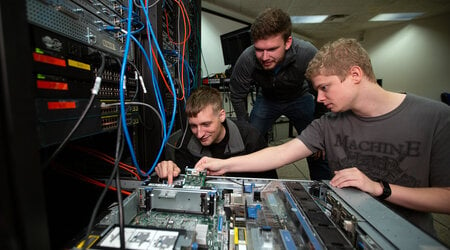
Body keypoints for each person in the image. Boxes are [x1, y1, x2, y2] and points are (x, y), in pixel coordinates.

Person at [195, 38, 450, 235]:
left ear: (355, 75)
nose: (318, 98)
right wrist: (223, 164)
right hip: (345, 231)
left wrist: (378, 188)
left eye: (324, 88)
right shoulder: (329, 124)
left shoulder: (436, 117)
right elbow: (280, 153)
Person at [229, 8, 331, 180]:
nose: (264, 57)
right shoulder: (247, 58)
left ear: (288, 42)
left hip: (300, 97)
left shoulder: (307, 53)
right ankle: (255, 184)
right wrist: (243, 126)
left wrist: (320, 126)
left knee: (318, 146)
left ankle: (322, 189)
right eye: (259, 49)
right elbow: (237, 94)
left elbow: (323, 92)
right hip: (267, 99)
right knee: (249, 142)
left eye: (272, 49)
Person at [155, 86, 278, 184]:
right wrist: (169, 169)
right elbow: (182, 179)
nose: (199, 134)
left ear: (221, 116)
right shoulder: (186, 141)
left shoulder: (250, 137)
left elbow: (270, 184)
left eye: (206, 124)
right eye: (193, 126)